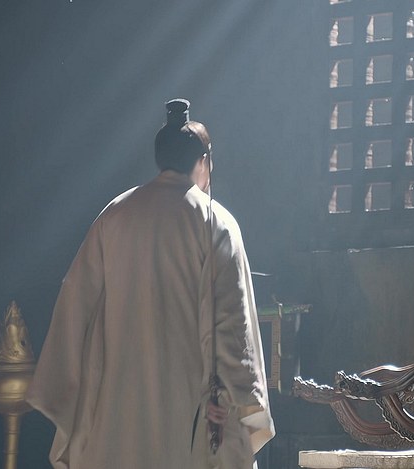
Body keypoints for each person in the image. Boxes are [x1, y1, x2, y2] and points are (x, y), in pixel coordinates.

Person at [26, 98, 275, 469]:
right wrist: (230, 396)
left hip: (117, 409)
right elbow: (231, 323)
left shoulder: (114, 215)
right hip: (188, 406)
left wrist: (74, 393)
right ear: (203, 160)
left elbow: (75, 308)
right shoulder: (216, 222)